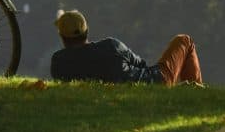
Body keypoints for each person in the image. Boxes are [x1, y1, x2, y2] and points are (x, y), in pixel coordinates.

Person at [50, 10, 203, 86]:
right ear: (87, 31)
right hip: (153, 81)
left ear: (63, 38)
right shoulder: (111, 46)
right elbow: (141, 65)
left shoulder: (58, 62)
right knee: (184, 40)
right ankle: (197, 92)